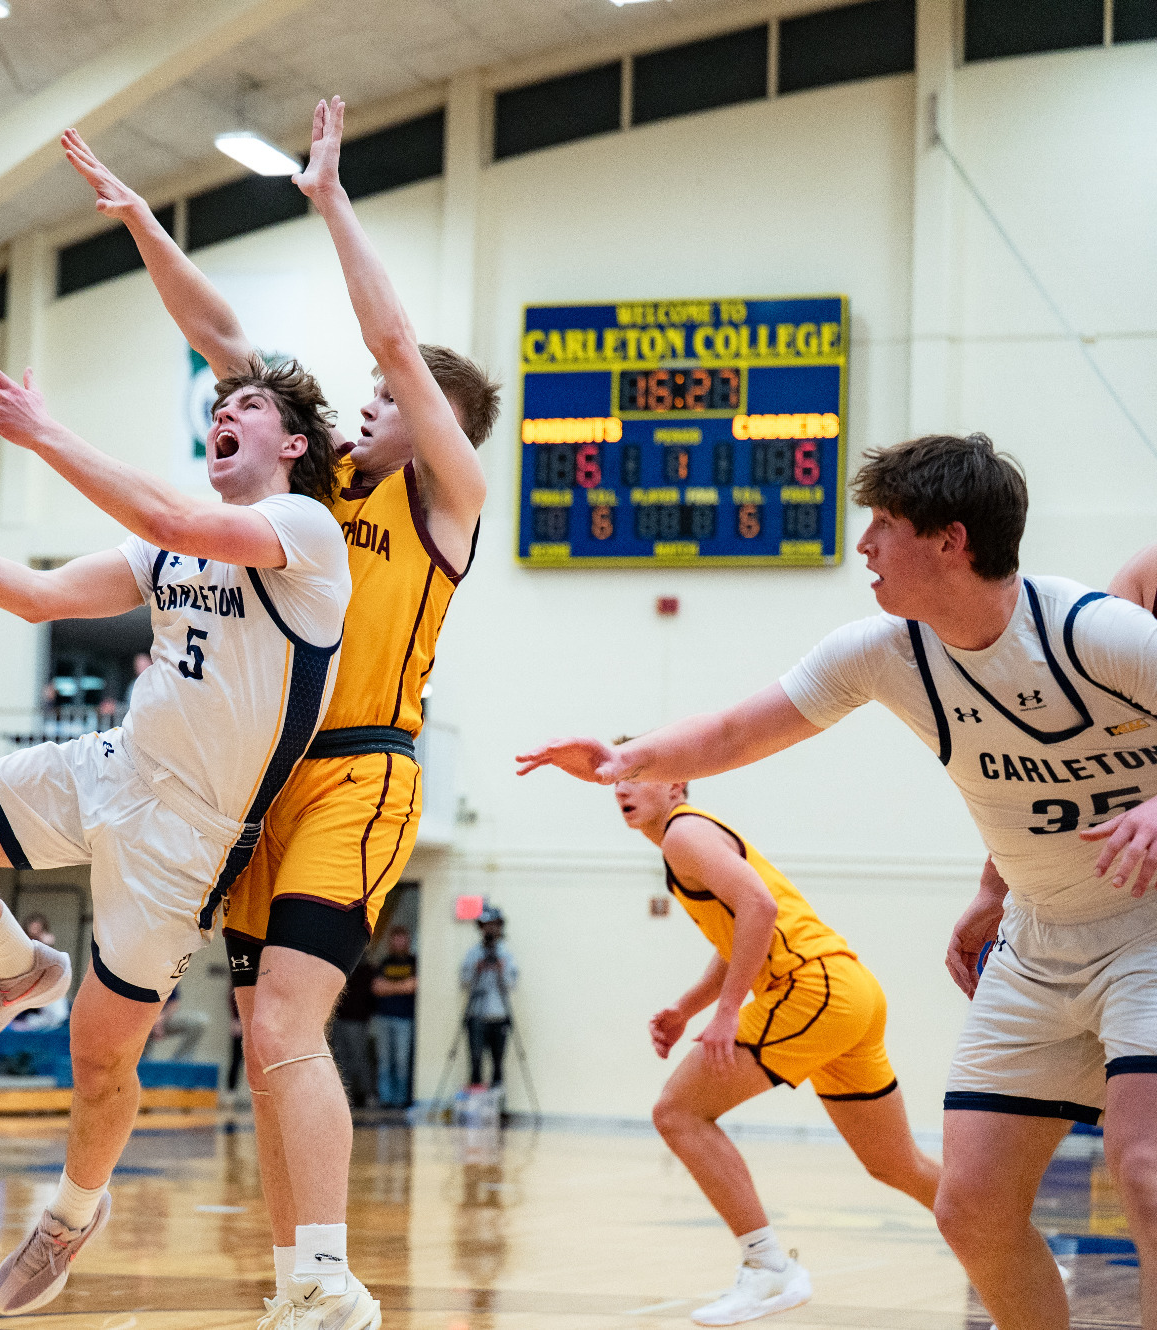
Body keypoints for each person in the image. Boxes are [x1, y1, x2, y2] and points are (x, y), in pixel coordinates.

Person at [518, 432, 1157, 1330]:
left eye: (884, 524)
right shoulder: (885, 652)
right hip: (1040, 944)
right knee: (967, 1211)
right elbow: (741, 731)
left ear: (951, 541)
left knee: (1144, 1172)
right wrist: (627, 755)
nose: (864, 546)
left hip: (1148, 934)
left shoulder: (1093, 631)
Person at [66, 96, 495, 1326]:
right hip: (259, 783)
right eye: (358, 394)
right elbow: (221, 335)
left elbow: (400, 344)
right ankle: (293, 1282)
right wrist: (142, 218)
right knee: (260, 1035)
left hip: (360, 777)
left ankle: (327, 1274)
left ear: (434, 428)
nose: (368, 401)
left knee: (291, 1023)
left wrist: (329, 199)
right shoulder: (302, 493)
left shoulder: (442, 499)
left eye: (388, 398)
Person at [0, 343, 349, 1311]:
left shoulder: (305, 531)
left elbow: (165, 512)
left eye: (243, 404)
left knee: (98, 1054)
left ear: (290, 443)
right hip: (108, 764)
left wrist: (39, 432)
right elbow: (37, 595)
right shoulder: (163, 545)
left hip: (188, 838)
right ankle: (13, 962)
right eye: (216, 405)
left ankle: (71, 1216)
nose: (221, 415)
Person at [612, 773, 940, 1325]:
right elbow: (744, 928)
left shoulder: (682, 835)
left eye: (639, 774)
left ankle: (768, 1267)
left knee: (678, 1112)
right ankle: (1015, 1247)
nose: (624, 787)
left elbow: (759, 909)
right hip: (849, 991)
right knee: (896, 1164)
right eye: (618, 779)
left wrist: (724, 1015)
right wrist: (688, 1008)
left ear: (677, 783)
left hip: (811, 990)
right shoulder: (692, 840)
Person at [459, 910, 517, 1091]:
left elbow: (511, 983)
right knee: (475, 1059)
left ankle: (496, 1103)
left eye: (493, 925)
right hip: (476, 1014)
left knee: (498, 1062)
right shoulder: (473, 953)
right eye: (486, 926)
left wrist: (501, 969)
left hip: (498, 1014)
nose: (489, 930)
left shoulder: (506, 954)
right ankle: (476, 1102)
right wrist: (476, 968)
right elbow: (464, 981)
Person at [369, 927, 418, 1109]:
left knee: (401, 1060)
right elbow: (376, 988)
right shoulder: (384, 962)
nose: (398, 943)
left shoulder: (414, 963)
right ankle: (385, 1099)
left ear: (408, 941)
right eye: (395, 939)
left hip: (405, 1018)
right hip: (384, 1018)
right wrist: (402, 986)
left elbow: (413, 986)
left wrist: (388, 987)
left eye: (402, 939)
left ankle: (400, 1099)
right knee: (384, 1060)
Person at [10, 913, 71, 1032]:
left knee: (58, 1016)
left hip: (45, 985)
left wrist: (47, 943)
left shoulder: (47, 943)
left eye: (38, 928)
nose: (35, 931)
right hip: (25, 985)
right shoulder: (22, 943)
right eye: (32, 928)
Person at [329, 958, 376, 1109]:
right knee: (341, 1059)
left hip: (357, 1019)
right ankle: (345, 1096)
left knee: (359, 1058)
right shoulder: (337, 963)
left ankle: (368, 1095)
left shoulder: (366, 968)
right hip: (337, 1019)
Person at [142, 987, 210, 1062]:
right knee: (137, 1025)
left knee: (199, 1021)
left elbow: (173, 1001)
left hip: (165, 1017)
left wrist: (161, 1019)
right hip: (141, 1019)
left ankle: (182, 1061)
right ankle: (141, 1061)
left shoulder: (168, 975)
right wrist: (152, 1020)